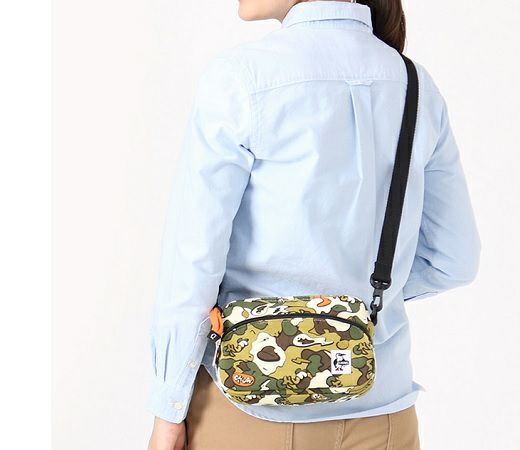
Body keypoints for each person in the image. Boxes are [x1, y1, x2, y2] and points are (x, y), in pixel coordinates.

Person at [147, 1, 481, 449]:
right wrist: (352, 309)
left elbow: (192, 266)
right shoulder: (415, 85)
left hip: (252, 406)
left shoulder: (242, 78)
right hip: (386, 416)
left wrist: (169, 409)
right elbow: (454, 260)